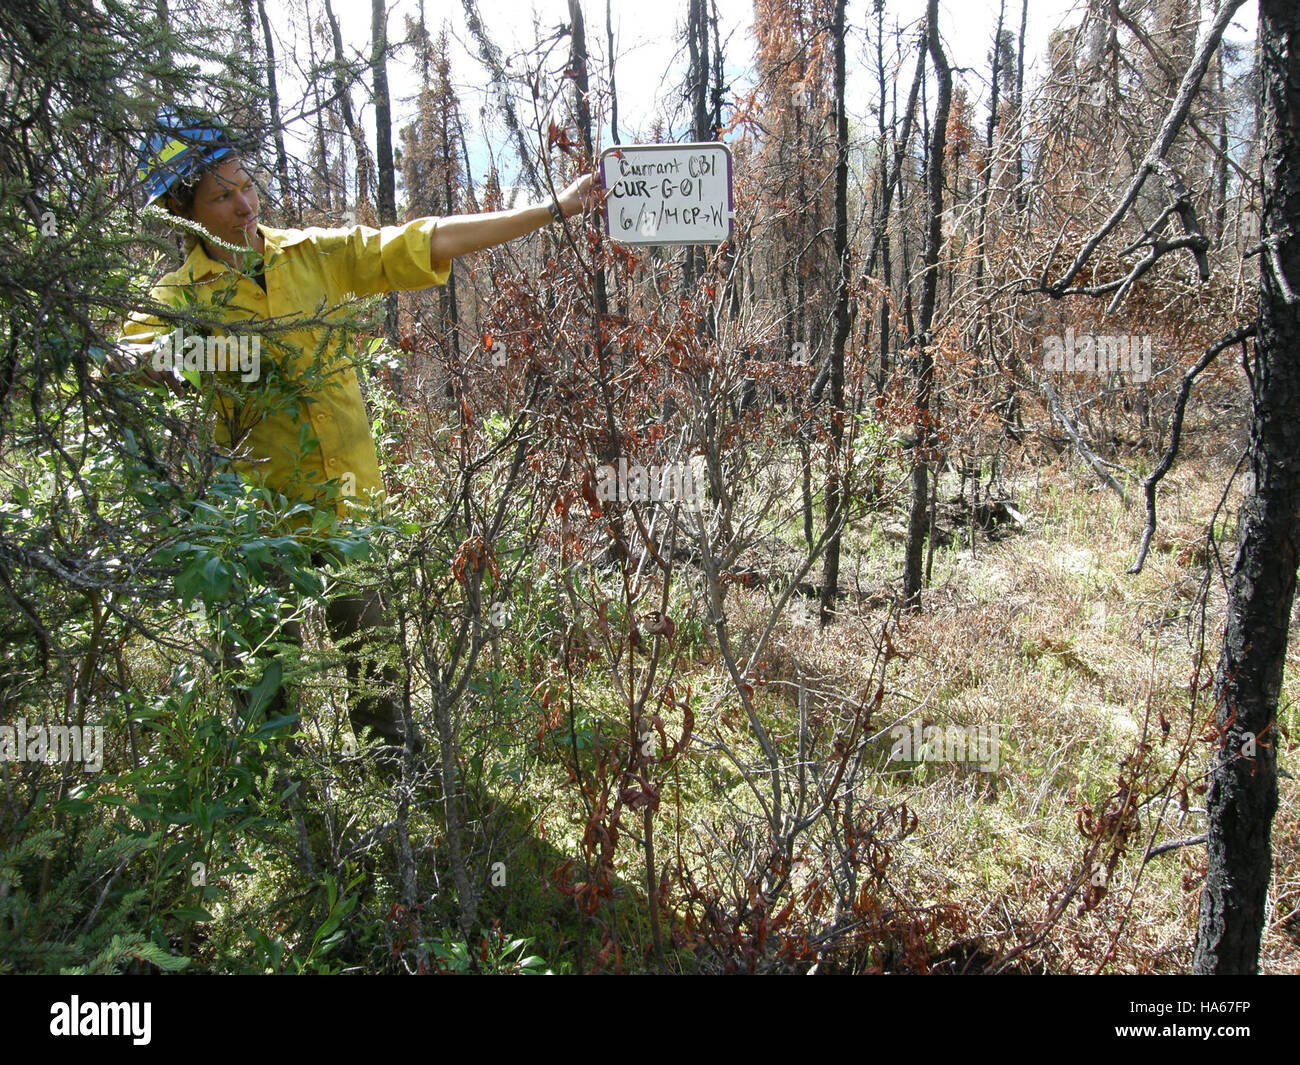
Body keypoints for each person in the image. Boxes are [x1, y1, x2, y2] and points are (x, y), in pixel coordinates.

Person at [121, 109, 594, 761]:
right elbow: (132, 358)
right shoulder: (177, 294)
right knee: (261, 684)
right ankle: (280, 800)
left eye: (245, 184)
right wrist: (204, 360)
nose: (243, 204)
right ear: (183, 211)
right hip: (257, 518)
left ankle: (393, 772)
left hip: (349, 506)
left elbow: (422, 241)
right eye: (221, 195)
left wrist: (551, 209)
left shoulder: (311, 255)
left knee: (376, 672)